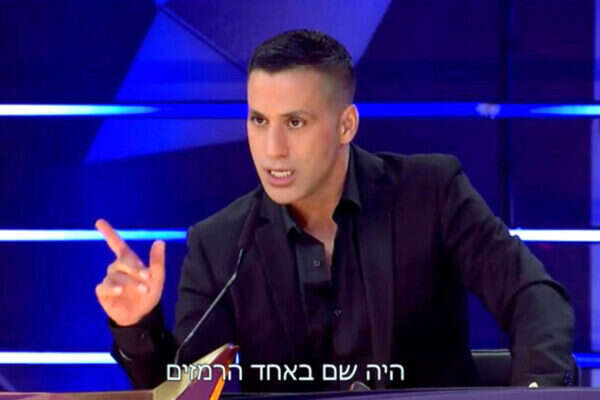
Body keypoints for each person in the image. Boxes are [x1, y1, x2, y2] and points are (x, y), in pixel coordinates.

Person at [95, 29, 575, 392]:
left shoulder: (431, 193)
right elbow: (185, 390)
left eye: (295, 122)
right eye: (258, 120)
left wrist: (537, 393)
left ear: (346, 124)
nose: (272, 149)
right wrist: (137, 325)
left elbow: (532, 295)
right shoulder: (220, 244)